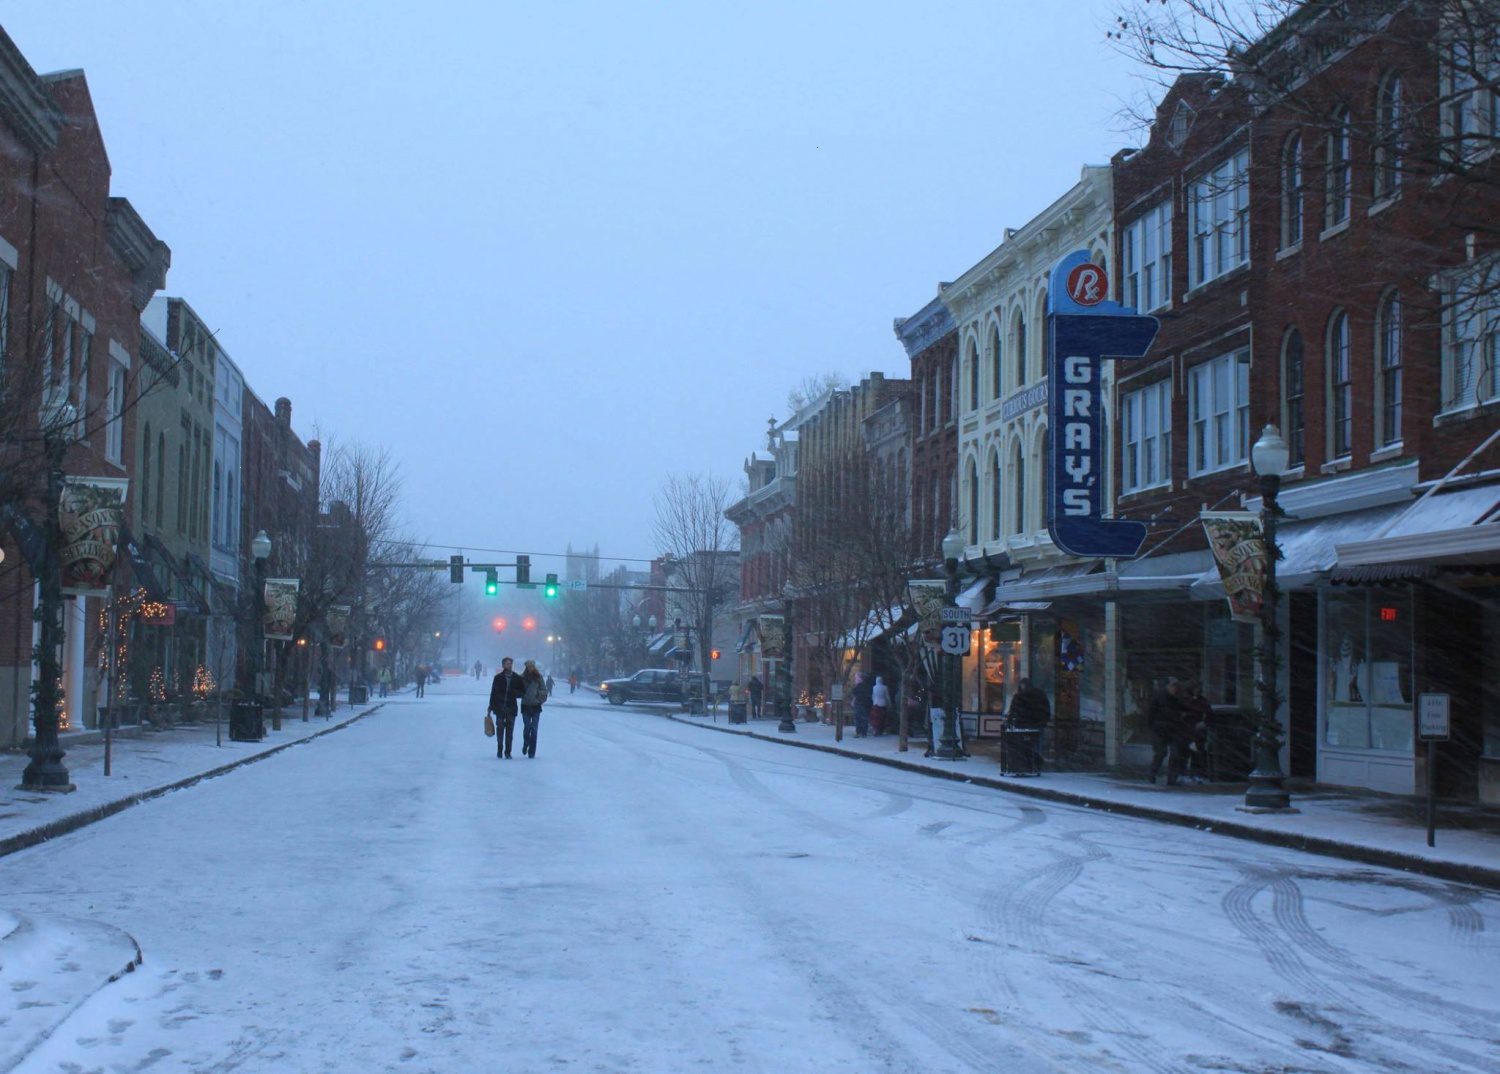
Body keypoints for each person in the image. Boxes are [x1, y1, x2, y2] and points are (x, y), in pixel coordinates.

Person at [1147, 677, 1187, 786]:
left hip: (1173, 731)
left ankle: (1171, 778)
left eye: (1176, 686)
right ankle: (1152, 774)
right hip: (1160, 730)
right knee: (1161, 753)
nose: (1174, 688)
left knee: (1175, 754)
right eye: (1173, 686)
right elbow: (1151, 714)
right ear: (1167, 686)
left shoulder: (1177, 699)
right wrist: (1153, 727)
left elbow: (1182, 712)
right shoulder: (1159, 698)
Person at [1006, 677, 1051, 773]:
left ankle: (1030, 763)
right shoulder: (1039, 695)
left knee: (1026, 745)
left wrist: (1011, 721)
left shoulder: (1020, 696)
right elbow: (1045, 710)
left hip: (1024, 725)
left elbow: (1013, 711)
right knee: (1037, 745)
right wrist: (1043, 721)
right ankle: (1035, 763)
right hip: (1036, 724)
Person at [488, 657, 525, 759]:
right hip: (499, 708)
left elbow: (522, 692)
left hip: (511, 708)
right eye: (507, 664)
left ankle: (508, 752)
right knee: (500, 730)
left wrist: (515, 693)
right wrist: (490, 707)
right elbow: (493, 693)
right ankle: (499, 750)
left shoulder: (517, 678)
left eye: (510, 664)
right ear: (503, 665)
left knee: (509, 732)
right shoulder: (498, 678)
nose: (509, 665)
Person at [1180, 679, 1214, 783]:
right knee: (1186, 753)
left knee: (1197, 753)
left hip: (1195, 731)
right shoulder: (1185, 700)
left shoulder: (1201, 701)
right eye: (1196, 688)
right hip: (1187, 730)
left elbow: (1210, 715)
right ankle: (1185, 773)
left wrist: (1205, 723)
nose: (1197, 690)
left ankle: (1196, 774)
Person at [520, 659, 548, 758]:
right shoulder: (522, 677)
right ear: (526, 667)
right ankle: (526, 743)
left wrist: (538, 697)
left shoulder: (539, 677)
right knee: (527, 727)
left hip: (536, 706)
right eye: (529, 666)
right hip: (525, 705)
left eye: (532, 666)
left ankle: (532, 751)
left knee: (534, 730)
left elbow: (544, 690)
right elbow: (517, 690)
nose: (530, 668)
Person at [850, 672, 873, 737]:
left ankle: (858, 732)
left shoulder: (857, 687)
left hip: (859, 704)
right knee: (864, 719)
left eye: (856, 678)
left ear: (860, 679)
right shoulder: (868, 686)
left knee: (858, 718)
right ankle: (864, 733)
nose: (855, 679)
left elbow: (855, 695)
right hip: (866, 704)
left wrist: (853, 702)